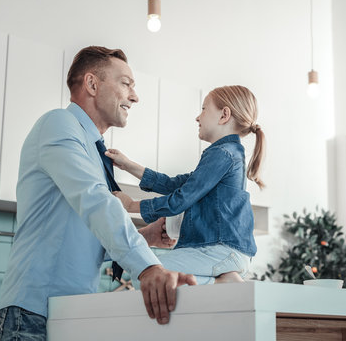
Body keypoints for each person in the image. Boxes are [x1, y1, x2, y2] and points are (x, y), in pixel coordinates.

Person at [0, 46, 196, 341]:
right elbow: (96, 201)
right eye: (126, 83)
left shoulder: (93, 148)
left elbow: (83, 241)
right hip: (33, 313)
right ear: (92, 84)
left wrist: (145, 237)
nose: (135, 96)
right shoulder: (59, 125)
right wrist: (148, 267)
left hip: (68, 313)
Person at [107, 85, 265, 285]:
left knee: (147, 277)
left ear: (224, 115)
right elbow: (176, 184)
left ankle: (222, 282)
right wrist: (130, 166)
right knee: (152, 277)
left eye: (204, 109)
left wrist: (131, 205)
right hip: (225, 253)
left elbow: (182, 198)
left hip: (218, 250)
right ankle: (225, 281)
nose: (198, 117)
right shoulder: (227, 155)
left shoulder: (222, 154)